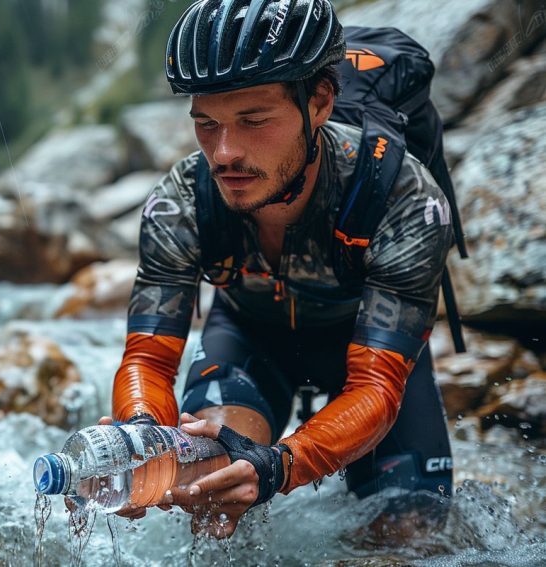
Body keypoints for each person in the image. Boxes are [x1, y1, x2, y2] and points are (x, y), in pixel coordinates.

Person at [104, 0, 455, 538]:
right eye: (207, 124)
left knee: (414, 536)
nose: (224, 153)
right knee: (211, 485)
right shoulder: (180, 201)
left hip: (365, 353)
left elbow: (377, 385)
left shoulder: (402, 197)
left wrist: (282, 465)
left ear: (318, 102)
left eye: (254, 121)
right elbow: (147, 360)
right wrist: (142, 436)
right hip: (249, 336)